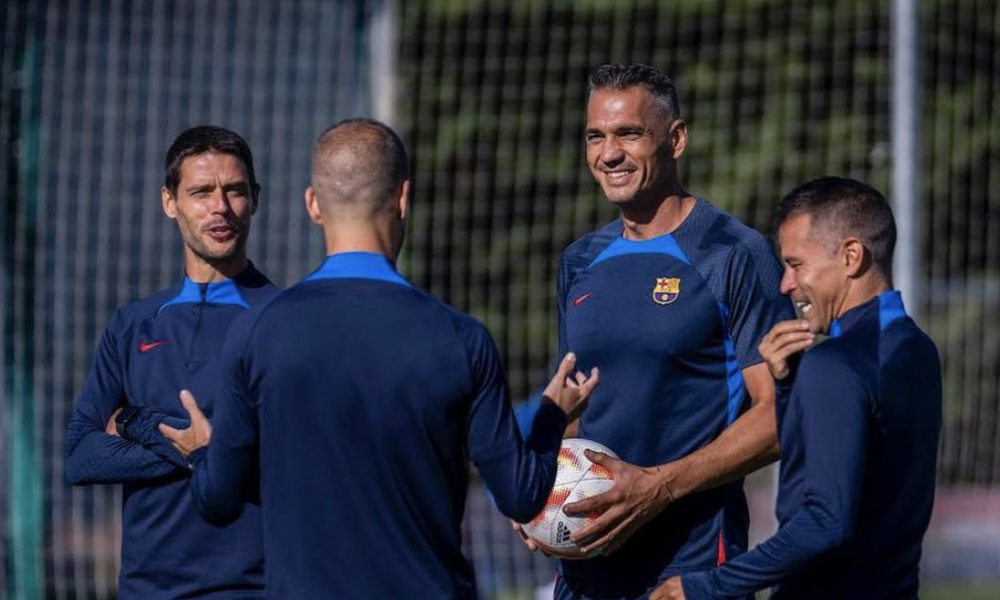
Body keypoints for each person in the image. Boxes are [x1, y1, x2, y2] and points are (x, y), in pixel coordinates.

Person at [159, 118, 599, 599]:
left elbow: (217, 501)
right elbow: (522, 495)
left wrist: (203, 451)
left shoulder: (256, 332)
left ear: (312, 204)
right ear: (403, 198)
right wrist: (553, 415)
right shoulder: (461, 338)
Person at [521, 63, 796, 600]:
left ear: (676, 139)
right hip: (585, 570)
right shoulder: (580, 261)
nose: (609, 154)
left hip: (688, 570)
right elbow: (573, 412)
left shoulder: (732, 254)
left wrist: (658, 487)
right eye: (595, 136)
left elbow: (780, 417)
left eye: (628, 133)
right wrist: (536, 494)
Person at [654, 177, 942, 599]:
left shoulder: (834, 364)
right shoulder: (917, 349)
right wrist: (788, 387)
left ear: (851, 256)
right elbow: (852, 475)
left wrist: (707, 585)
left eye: (796, 264)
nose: (786, 284)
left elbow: (824, 518)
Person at [64, 126, 278, 598]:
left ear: (255, 199)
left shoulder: (287, 321)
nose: (220, 207)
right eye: (200, 192)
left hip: (252, 589)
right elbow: (81, 457)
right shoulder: (133, 324)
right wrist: (192, 444)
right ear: (169, 202)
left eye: (234, 191)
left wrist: (136, 422)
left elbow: (292, 449)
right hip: (147, 590)